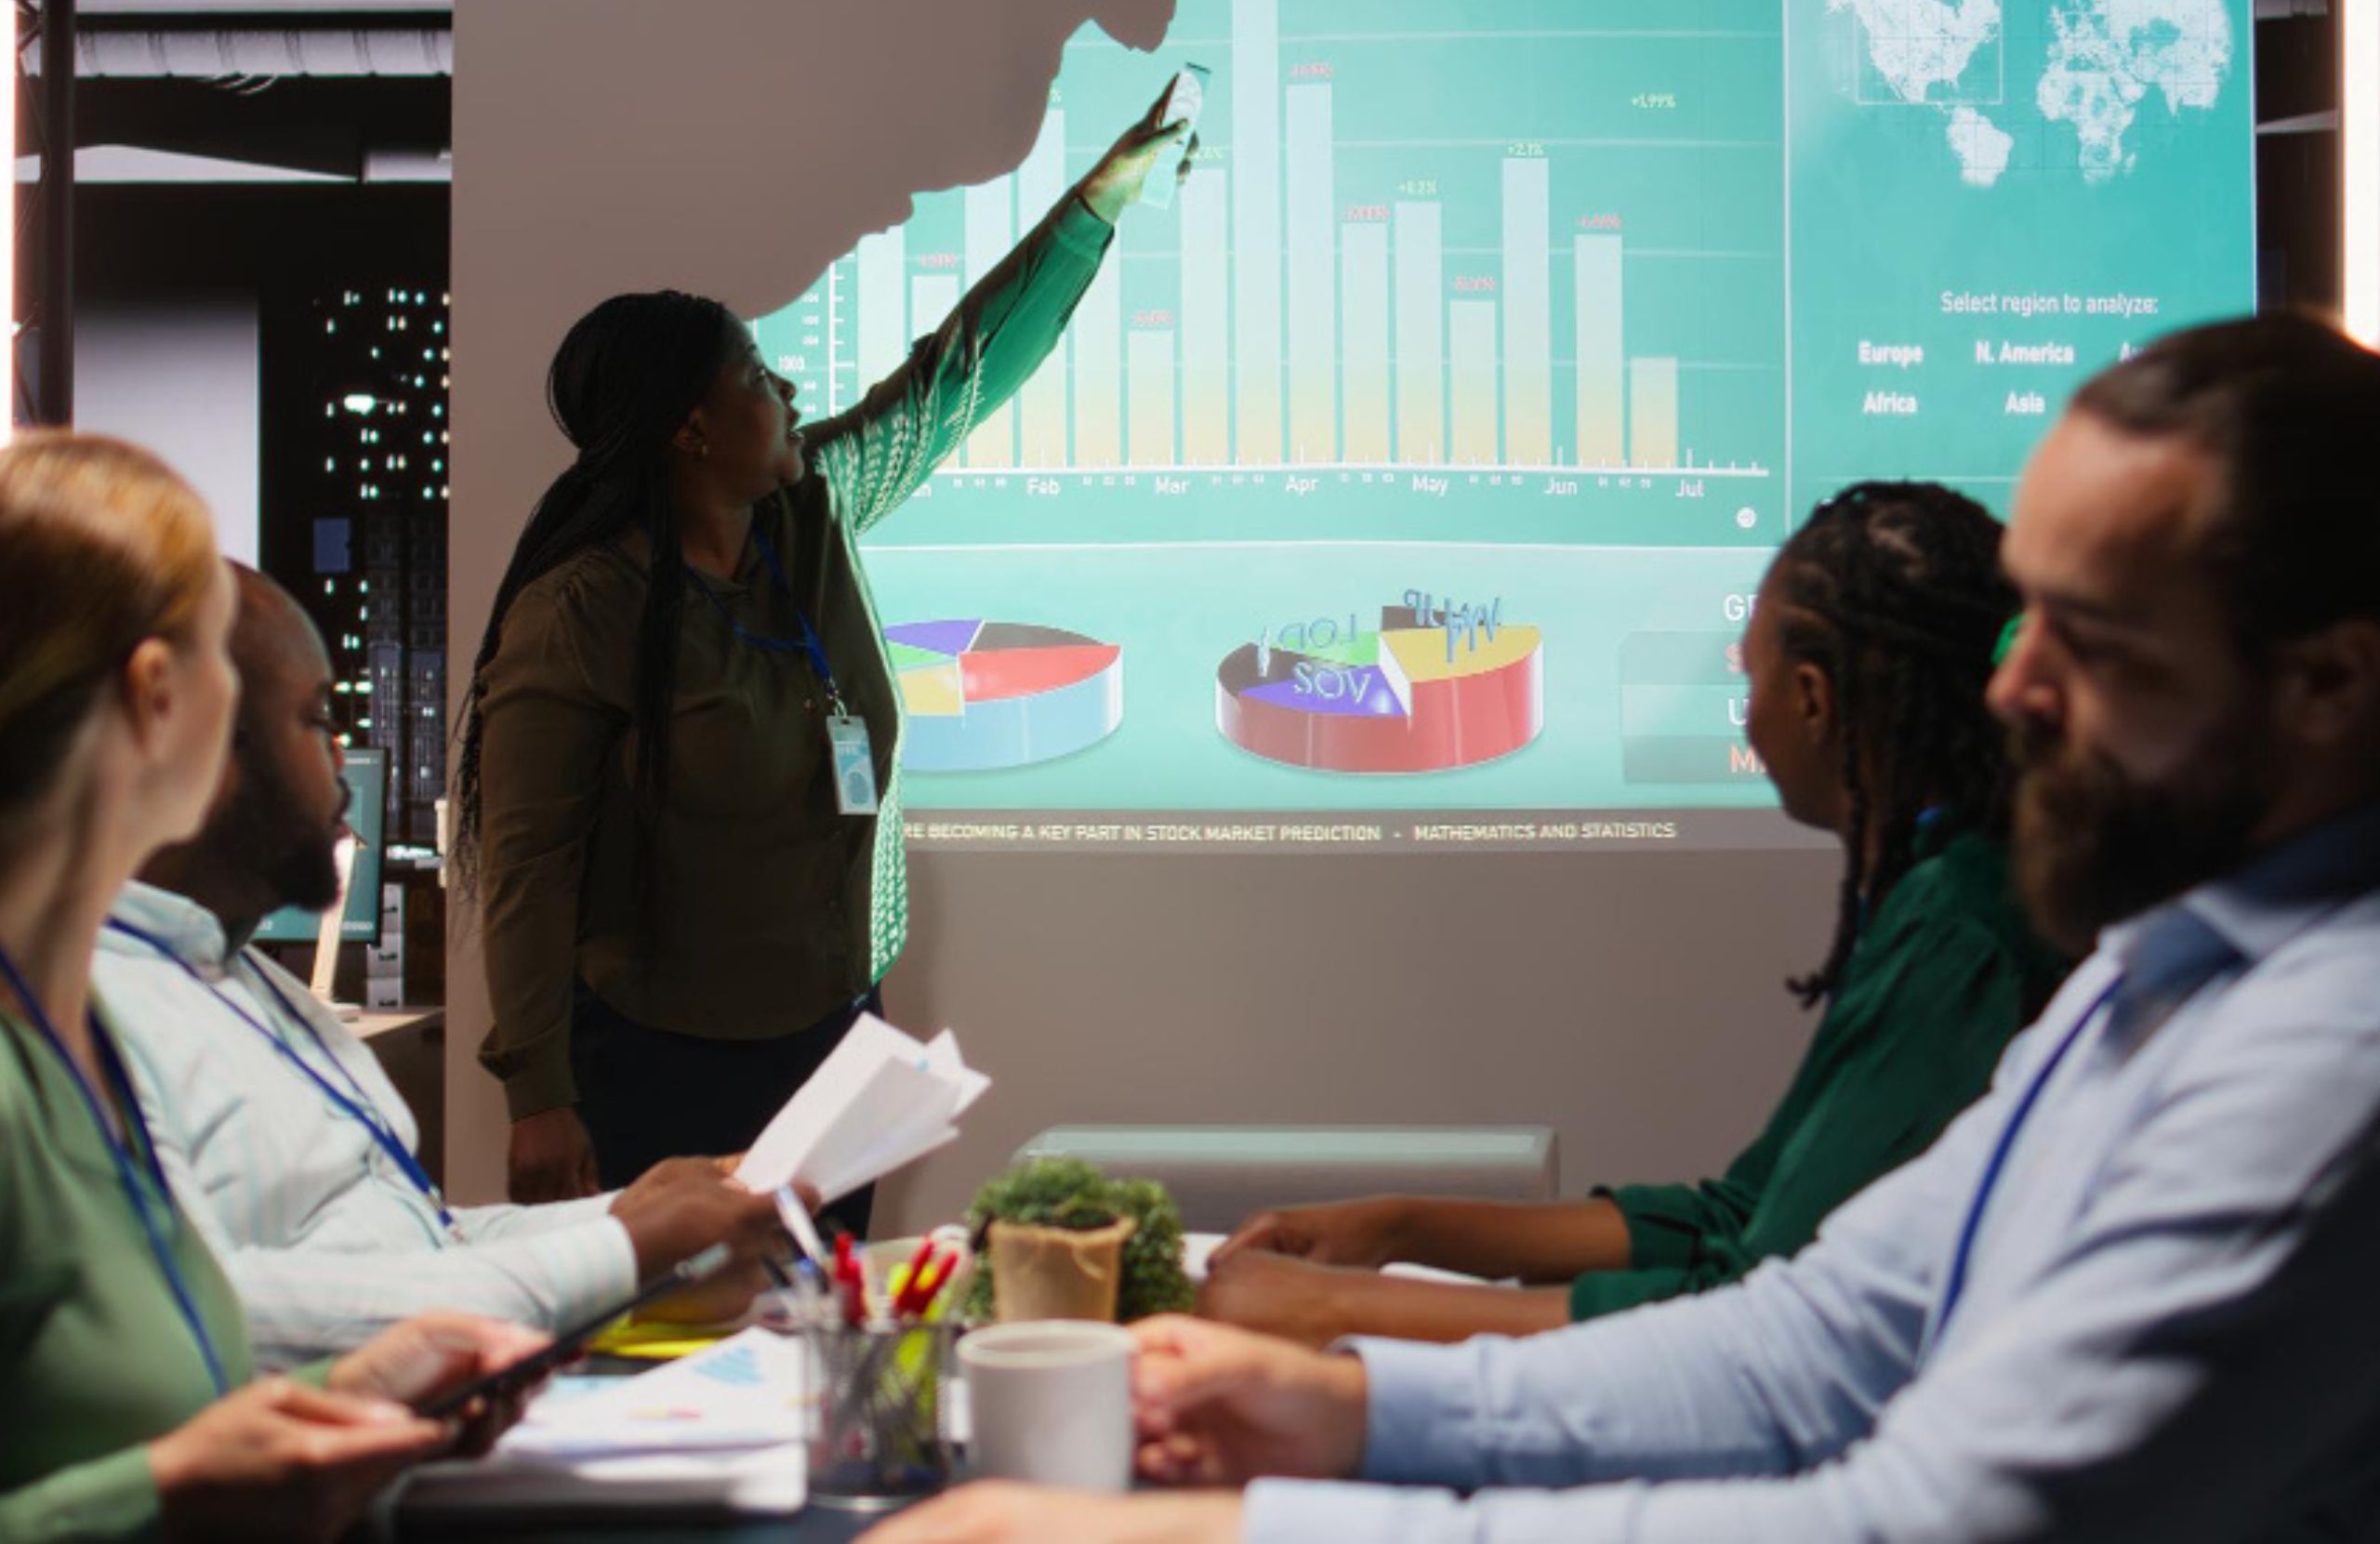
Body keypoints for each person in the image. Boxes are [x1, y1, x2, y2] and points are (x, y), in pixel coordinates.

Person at [861, 315, 2380, 1541]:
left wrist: (1245, 1519)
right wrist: (1348, 1406)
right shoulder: (2158, 975)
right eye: (2022, 619)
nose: (2012, 687)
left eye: (2091, 642)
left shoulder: (2326, 1057)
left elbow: (1925, 1517)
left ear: (2329, 681)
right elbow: (1816, 1339)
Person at [462, 95, 1198, 1215]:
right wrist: (537, 1093)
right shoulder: (580, 611)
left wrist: (1094, 206)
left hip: (838, 1036)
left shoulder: (811, 509)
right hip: (664, 1059)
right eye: (758, 377)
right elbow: (529, 865)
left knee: (823, 1305)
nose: (789, 392)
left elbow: (953, 380)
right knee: (690, 1315)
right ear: (692, 429)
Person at [1202, 483, 2066, 1347]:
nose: (1747, 714)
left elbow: (1758, 1317)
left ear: (1812, 699)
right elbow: (1741, 1215)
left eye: (1749, 678)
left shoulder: (1961, 933)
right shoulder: (1946, 885)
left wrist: (1338, 1309)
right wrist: (1399, 1227)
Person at [0, 434, 544, 1542]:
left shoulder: (82, 1032)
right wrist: (171, 1492)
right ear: (157, 694)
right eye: (227, 660)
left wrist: (347, 1390)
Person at [94, 564, 799, 1366]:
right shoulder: (81, 1011)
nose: (340, 759)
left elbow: (425, 1244)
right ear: (183, 735)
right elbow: (206, 1315)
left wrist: (633, 1216)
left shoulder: (246, 982)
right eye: (314, 719)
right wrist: (622, 1253)